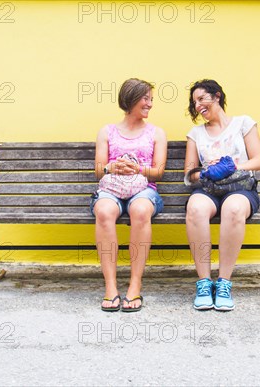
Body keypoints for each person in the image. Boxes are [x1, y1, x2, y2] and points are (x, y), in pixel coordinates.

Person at [184, 79, 260, 311]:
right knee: (196, 208)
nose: (198, 106)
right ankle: (203, 283)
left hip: (240, 188)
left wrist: (232, 167)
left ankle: (224, 283)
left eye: (201, 99)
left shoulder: (243, 123)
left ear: (217, 96)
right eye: (194, 103)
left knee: (233, 208)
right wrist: (208, 171)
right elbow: (190, 173)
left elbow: (258, 161)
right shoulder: (195, 133)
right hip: (209, 188)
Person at [91, 78, 167, 312]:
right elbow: (98, 170)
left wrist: (139, 169)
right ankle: (111, 287)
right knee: (104, 211)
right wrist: (112, 167)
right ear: (131, 99)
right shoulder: (107, 131)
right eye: (146, 99)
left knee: (140, 210)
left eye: (151, 99)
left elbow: (158, 172)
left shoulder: (156, 133)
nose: (150, 104)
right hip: (111, 189)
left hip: (144, 189)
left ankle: (135, 285)